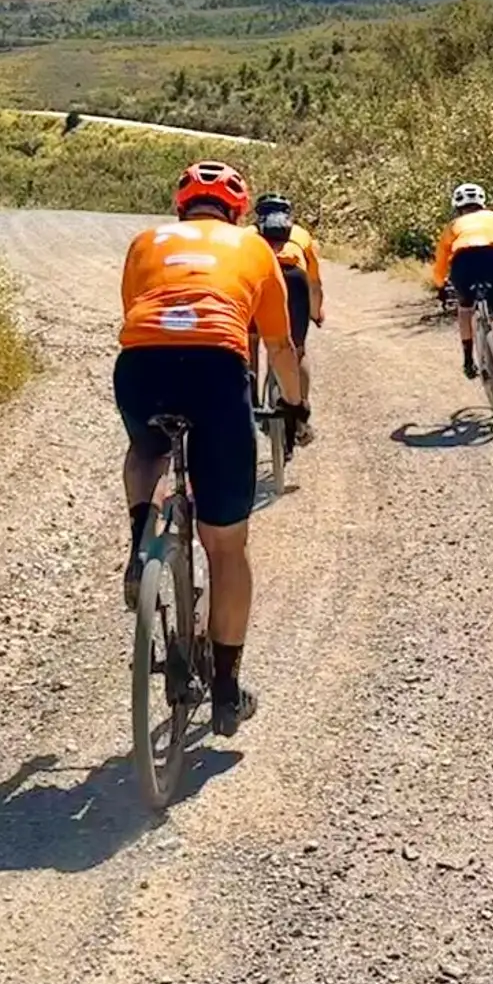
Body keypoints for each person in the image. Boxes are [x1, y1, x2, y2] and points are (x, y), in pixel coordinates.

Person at [116, 161, 304, 735]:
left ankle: (140, 541)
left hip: (142, 364)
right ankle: (225, 688)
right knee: (226, 545)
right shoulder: (254, 248)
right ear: (237, 210)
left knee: (147, 445)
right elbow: (278, 344)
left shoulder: (145, 241)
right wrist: (294, 406)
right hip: (216, 368)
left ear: (181, 208)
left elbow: (134, 312)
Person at [432, 181, 493, 390]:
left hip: (464, 262)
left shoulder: (452, 226)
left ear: (457, 205)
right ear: (482, 201)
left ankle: (468, 360)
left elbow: (441, 260)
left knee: (465, 310)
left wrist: (440, 285)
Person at [252, 193, 324, 443]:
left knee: (250, 342)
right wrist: (316, 312)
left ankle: (249, 404)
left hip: (258, 278)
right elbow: (314, 283)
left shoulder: (248, 234)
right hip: (295, 280)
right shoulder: (302, 235)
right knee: (298, 350)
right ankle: (301, 419)